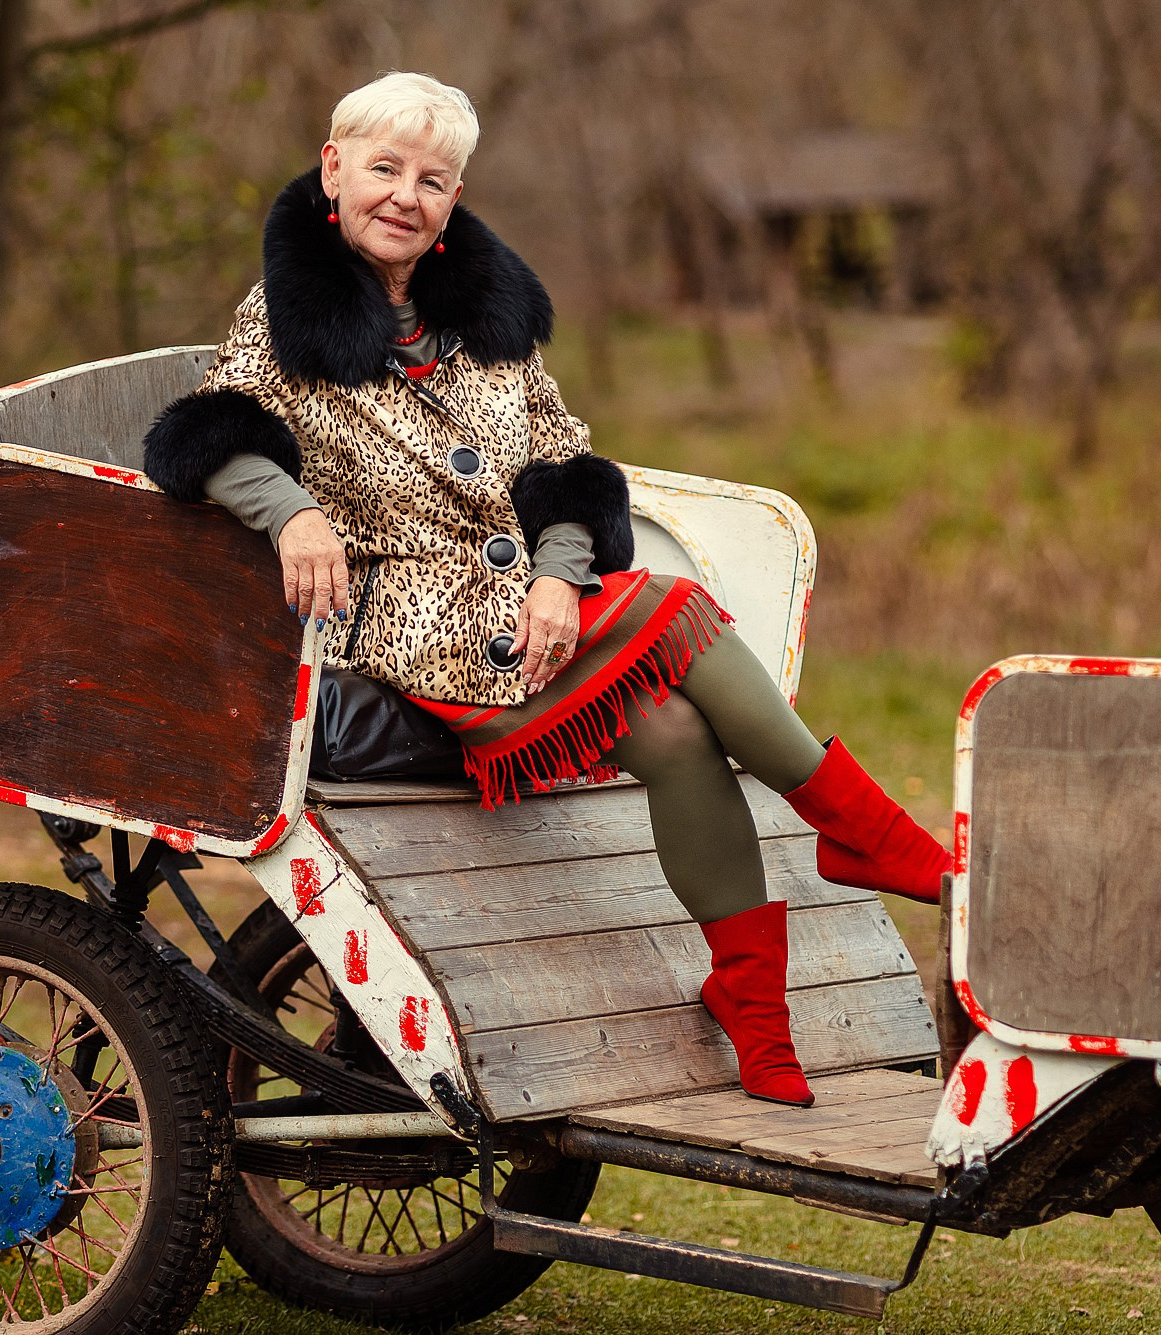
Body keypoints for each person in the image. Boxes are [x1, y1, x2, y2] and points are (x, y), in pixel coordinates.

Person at [143, 72, 948, 1108]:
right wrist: (291, 512)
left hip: (523, 616)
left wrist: (562, 579)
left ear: (453, 199)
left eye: (432, 179)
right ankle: (861, 831)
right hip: (406, 629)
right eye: (383, 168)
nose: (405, 195)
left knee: (675, 737)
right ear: (333, 169)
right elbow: (209, 433)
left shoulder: (484, 320)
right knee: (667, 605)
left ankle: (750, 1004)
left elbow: (564, 458)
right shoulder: (284, 319)